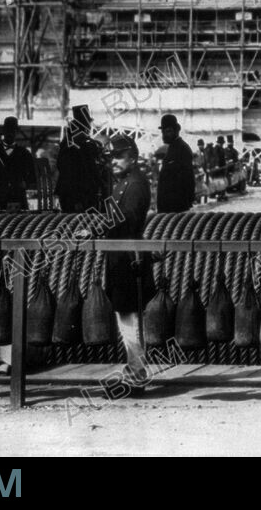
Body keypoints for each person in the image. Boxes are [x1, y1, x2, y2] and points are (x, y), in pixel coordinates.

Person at [103, 135, 155, 393]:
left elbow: (128, 219)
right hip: (121, 257)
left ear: (132, 158)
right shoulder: (124, 183)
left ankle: (137, 374)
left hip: (128, 258)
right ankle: (133, 371)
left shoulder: (134, 184)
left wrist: (97, 226)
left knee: (130, 319)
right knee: (126, 319)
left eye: (118, 156)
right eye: (112, 156)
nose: (113, 161)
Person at [56, 105, 109, 212]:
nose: (89, 127)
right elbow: (86, 172)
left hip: (72, 195)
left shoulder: (69, 144)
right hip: (78, 197)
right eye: (88, 123)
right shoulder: (79, 146)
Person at [156, 114, 196, 213]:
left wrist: (185, 204)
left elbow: (188, 179)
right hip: (168, 206)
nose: (165, 134)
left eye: (168, 131)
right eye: (163, 132)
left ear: (177, 130)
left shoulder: (182, 149)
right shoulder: (172, 148)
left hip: (176, 207)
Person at [2, 117, 36, 211]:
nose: (10, 133)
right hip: (0, 198)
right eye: (8, 130)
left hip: (18, 196)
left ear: (16, 132)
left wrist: (26, 183)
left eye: (12, 131)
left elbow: (33, 175)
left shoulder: (24, 153)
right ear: (3, 131)